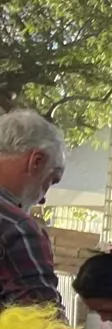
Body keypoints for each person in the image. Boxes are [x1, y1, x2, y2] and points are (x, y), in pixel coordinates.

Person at [0, 108, 67, 311]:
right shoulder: (17, 228)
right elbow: (42, 320)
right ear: (36, 161)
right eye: (51, 180)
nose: (44, 198)